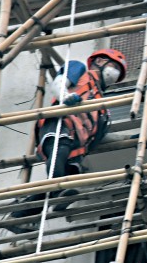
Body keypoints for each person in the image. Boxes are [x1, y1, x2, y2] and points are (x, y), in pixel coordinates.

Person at [9, 49, 126, 231]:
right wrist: (66, 97)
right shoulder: (79, 70)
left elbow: (101, 137)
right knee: (58, 169)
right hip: (60, 126)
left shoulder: (103, 107)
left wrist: (127, 138)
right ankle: (54, 197)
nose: (114, 74)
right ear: (100, 61)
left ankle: (19, 216)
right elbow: (59, 83)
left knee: (66, 179)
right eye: (113, 66)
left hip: (77, 146)